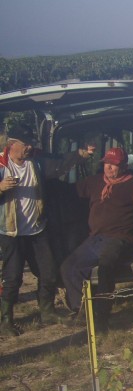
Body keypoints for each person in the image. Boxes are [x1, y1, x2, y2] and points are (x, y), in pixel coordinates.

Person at [0, 124, 91, 334]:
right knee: (13, 278)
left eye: (31, 143)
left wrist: (80, 154)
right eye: (26, 144)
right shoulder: (2, 165)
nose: (29, 147)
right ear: (12, 144)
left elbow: (60, 164)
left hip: (36, 230)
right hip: (11, 233)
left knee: (48, 272)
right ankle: (5, 321)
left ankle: (47, 311)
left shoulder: (36, 163)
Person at [60, 147, 133, 324]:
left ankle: (101, 313)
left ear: (123, 166)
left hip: (119, 238)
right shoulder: (95, 181)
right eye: (107, 163)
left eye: (113, 165)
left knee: (106, 268)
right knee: (69, 267)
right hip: (95, 238)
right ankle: (81, 310)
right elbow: (69, 192)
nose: (109, 168)